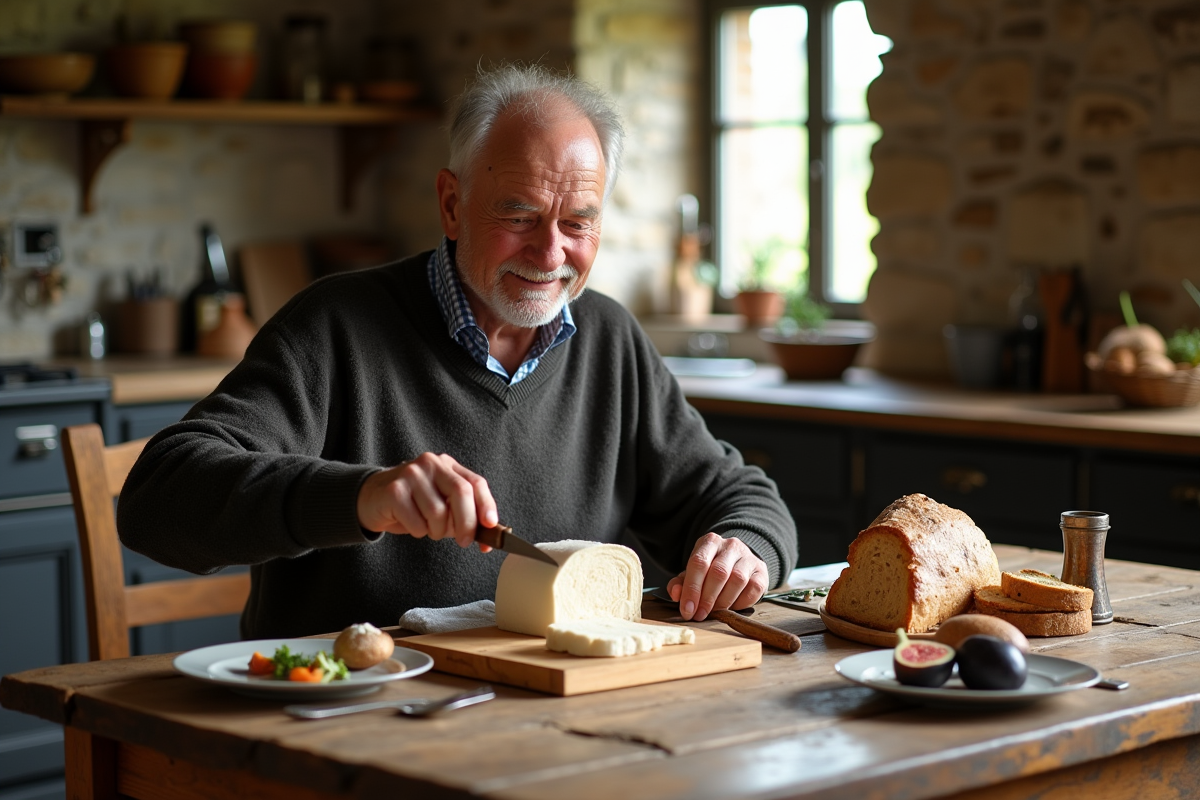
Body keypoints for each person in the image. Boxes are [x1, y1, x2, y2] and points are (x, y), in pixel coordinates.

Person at [119, 64, 797, 640]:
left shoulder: (610, 339)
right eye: (519, 217)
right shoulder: (335, 327)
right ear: (451, 204)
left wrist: (743, 546)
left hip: (547, 722)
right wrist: (363, 495)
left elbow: (738, 494)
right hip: (347, 728)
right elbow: (157, 500)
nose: (550, 254)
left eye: (577, 223)